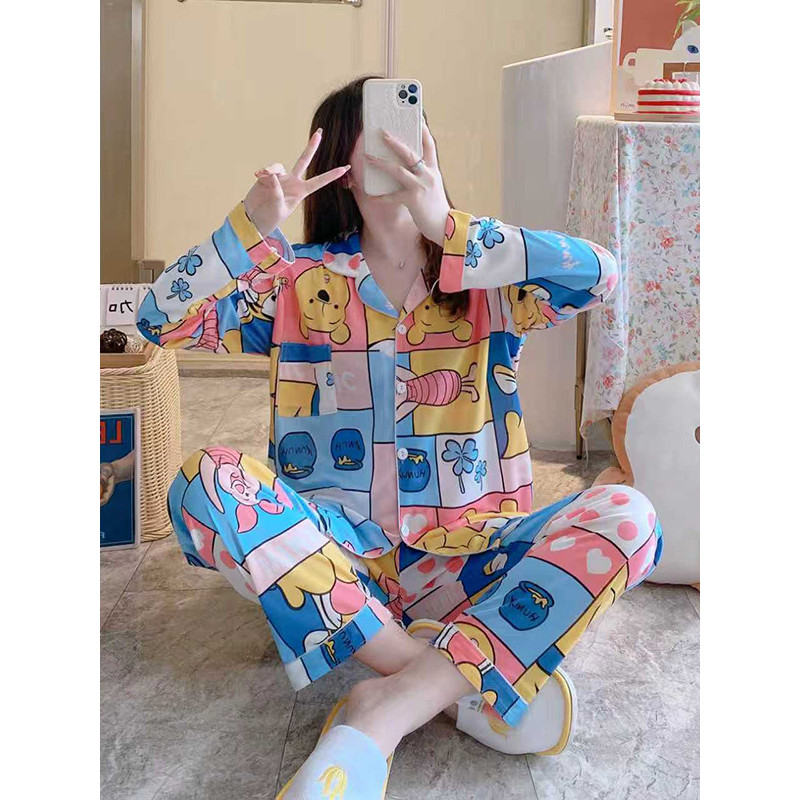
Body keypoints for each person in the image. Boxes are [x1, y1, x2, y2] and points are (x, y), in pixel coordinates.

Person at [138, 76, 662, 799]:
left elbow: (600, 274)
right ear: (341, 168)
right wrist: (250, 228)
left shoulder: (487, 277)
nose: (396, 149)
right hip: (339, 562)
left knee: (630, 517)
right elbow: (157, 322)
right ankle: (435, 674)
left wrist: (448, 225)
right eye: (373, 139)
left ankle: (384, 710)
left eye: (408, 133)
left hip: (474, 559)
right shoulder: (295, 281)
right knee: (205, 479)